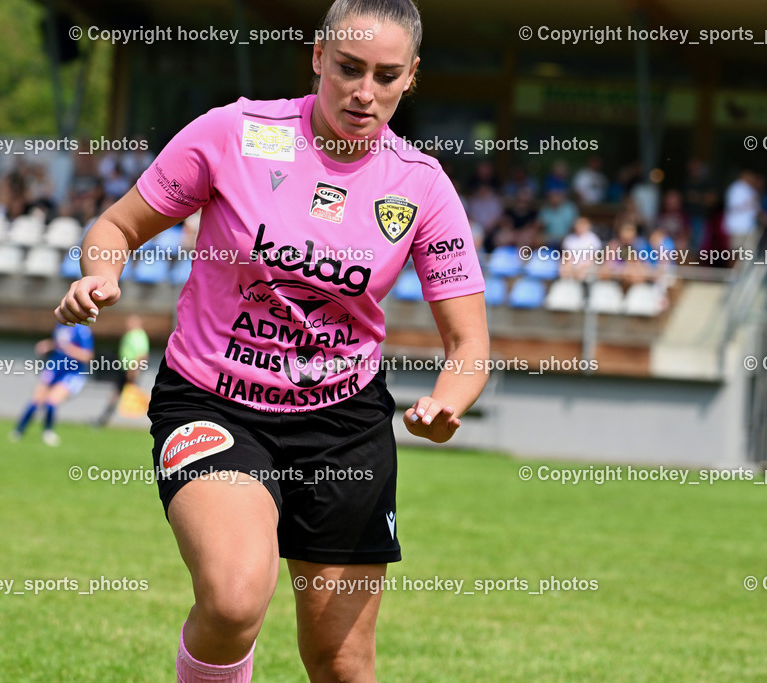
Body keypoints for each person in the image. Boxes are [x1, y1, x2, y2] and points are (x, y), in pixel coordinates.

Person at [53, 1, 490, 680]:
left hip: (344, 425)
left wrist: (447, 401)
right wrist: (100, 274)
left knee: (341, 662)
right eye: (348, 68)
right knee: (232, 597)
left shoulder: (423, 187)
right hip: (213, 402)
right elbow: (116, 225)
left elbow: (468, 344)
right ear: (318, 56)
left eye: (385, 75)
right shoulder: (233, 133)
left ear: (411, 79)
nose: (363, 92)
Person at [10, 323, 94, 446]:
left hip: (72, 372)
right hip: (54, 367)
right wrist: (48, 345)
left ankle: (48, 432)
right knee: (36, 400)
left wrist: (69, 349)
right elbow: (59, 344)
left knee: (51, 402)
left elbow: (87, 355)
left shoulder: (83, 330)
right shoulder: (61, 324)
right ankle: (18, 431)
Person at [95, 315, 150, 427]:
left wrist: (134, 370)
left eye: (131, 322)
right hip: (124, 369)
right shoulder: (129, 335)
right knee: (117, 394)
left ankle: (153, 419)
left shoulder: (138, 336)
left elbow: (143, 355)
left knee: (137, 395)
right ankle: (103, 420)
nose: (128, 324)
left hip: (131, 371)